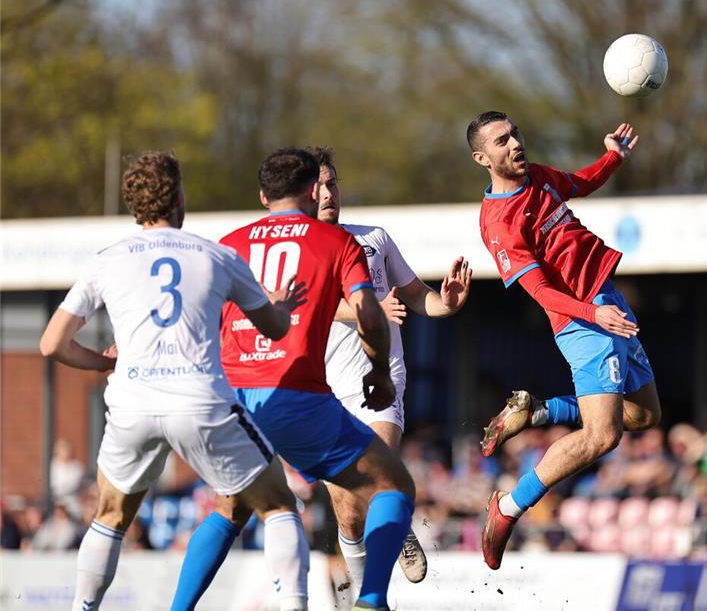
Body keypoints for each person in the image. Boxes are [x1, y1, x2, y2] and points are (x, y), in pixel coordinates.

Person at [40, 152, 310, 611]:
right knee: (278, 504)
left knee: (109, 517)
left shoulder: (107, 260)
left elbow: (51, 344)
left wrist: (102, 364)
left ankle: (82, 608)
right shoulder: (216, 255)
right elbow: (276, 329)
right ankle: (295, 606)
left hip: (132, 404)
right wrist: (280, 304)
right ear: (179, 196)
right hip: (201, 401)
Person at [170, 148, 415, 611]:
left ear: (263, 195)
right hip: (296, 395)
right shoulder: (336, 242)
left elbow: (197, 319)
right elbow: (369, 313)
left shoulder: (230, 244)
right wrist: (380, 371)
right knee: (392, 484)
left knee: (234, 508)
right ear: (310, 190)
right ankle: (372, 601)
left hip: (235, 402)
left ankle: (177, 609)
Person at [467, 111, 661, 569]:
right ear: (482, 158)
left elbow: (578, 183)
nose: (514, 143)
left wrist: (612, 157)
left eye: (515, 132)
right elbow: (542, 293)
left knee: (646, 414)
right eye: (501, 141)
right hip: (584, 321)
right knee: (601, 435)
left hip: (607, 304)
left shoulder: (535, 176)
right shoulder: (499, 224)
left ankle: (539, 410)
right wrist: (595, 314)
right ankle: (508, 507)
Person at [314, 147, 472, 593]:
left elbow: (415, 293)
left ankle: (372, 596)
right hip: (321, 388)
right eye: (320, 185)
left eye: (334, 182)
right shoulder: (301, 250)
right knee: (348, 512)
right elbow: (307, 308)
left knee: (381, 469)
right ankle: (364, 589)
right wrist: (367, 311)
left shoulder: (373, 239)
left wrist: (445, 303)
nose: (330, 193)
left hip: (378, 377)